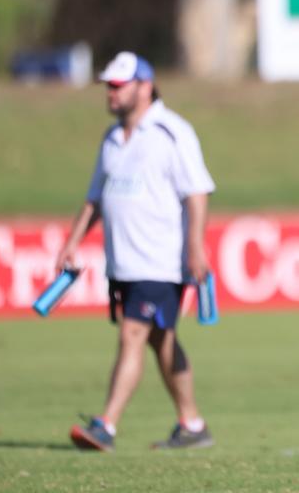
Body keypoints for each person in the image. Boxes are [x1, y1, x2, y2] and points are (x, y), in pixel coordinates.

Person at [53, 51, 216, 452]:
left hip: (160, 260)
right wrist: (72, 242)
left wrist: (195, 246)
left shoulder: (173, 132)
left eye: (118, 85)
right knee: (161, 341)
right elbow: (95, 198)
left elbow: (196, 193)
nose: (110, 93)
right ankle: (192, 424)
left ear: (145, 87)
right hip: (122, 262)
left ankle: (105, 425)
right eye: (108, 86)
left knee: (133, 333)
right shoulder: (111, 139)